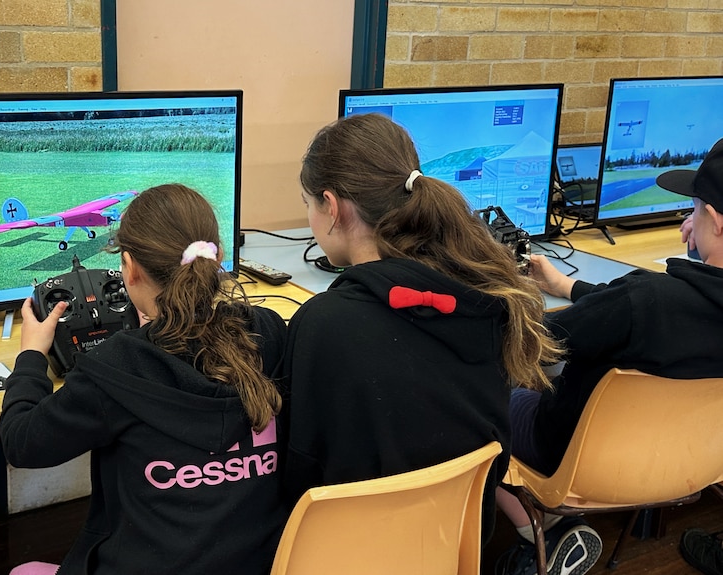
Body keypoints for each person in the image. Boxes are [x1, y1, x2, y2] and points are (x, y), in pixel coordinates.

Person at [281, 112, 564, 543]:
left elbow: (296, 473)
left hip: (350, 553)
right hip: (455, 548)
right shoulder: (486, 298)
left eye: (308, 204)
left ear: (332, 208)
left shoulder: (322, 324)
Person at [0, 184, 288, 575]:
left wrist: (32, 356)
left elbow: (22, 443)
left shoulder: (115, 366)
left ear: (130, 269)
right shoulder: (267, 332)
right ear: (216, 257)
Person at [496, 137, 723, 575]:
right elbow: (641, 311)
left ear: (713, 218)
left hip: (567, 456)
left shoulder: (645, 301)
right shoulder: (648, 302)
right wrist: (568, 288)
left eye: (692, 210)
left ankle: (544, 530)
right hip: (689, 466)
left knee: (474, 390)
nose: (686, 223)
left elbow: (533, 340)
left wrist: (500, 292)